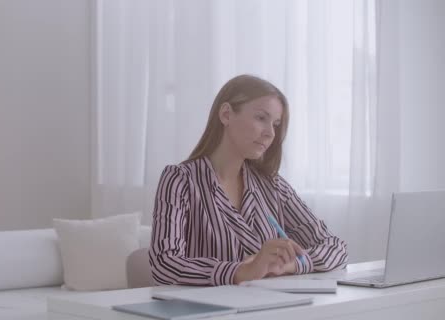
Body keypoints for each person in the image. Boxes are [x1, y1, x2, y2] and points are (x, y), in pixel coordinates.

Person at [149, 74, 348, 286]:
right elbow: (165, 263)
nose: (270, 133)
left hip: (267, 308)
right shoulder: (180, 180)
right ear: (226, 114)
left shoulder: (272, 185)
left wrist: (293, 264)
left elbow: (335, 247)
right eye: (261, 118)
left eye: (276, 124)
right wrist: (242, 271)